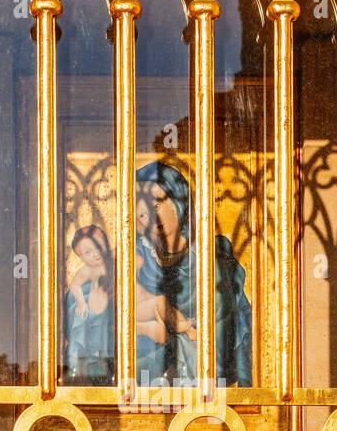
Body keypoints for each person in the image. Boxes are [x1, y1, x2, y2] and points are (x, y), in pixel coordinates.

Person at [134, 160, 252, 386]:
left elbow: (222, 325)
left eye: (157, 204)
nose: (152, 218)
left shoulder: (210, 257)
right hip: (153, 381)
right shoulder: (136, 259)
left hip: (205, 377)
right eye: (142, 212)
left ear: (179, 201)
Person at [63, 224, 114, 383]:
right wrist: (81, 303)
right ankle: (91, 370)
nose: (95, 253)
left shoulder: (114, 264)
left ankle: (102, 367)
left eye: (98, 246)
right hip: (91, 314)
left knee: (103, 342)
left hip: (106, 316)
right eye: (87, 252)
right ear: (81, 258)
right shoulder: (86, 271)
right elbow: (75, 286)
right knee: (92, 345)